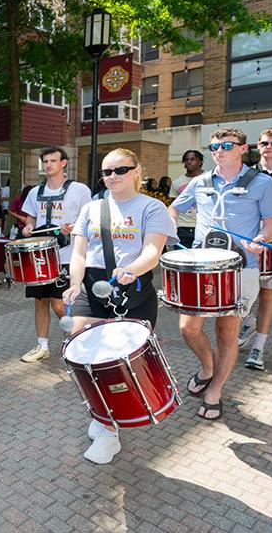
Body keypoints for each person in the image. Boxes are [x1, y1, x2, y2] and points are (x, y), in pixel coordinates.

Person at [62, 149, 177, 464]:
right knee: (83, 352)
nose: (112, 176)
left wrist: (133, 270)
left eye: (120, 170)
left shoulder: (152, 207)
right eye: (106, 172)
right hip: (93, 285)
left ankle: (109, 427)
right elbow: (79, 254)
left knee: (115, 362)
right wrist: (74, 283)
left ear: (137, 171)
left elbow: (153, 251)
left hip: (133, 287)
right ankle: (104, 419)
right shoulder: (92, 208)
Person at [169, 128, 272, 420]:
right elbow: (172, 210)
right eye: (214, 146)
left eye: (227, 145)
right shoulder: (200, 182)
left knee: (226, 334)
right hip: (201, 266)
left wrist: (260, 239)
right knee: (188, 328)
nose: (219, 150)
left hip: (241, 268)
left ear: (243, 149)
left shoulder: (263, 183)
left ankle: (215, 389)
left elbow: (271, 224)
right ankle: (208, 367)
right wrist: (168, 231)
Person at [20, 147, 92, 363]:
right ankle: (42, 346)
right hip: (40, 257)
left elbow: (89, 219)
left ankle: (77, 334)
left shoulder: (79, 189)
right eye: (45, 161)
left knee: (59, 303)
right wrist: (28, 227)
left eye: (53, 160)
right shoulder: (35, 192)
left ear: (63, 163)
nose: (48, 165)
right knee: (40, 301)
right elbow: (30, 218)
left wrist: (75, 227)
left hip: (68, 255)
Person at [238, 127, 272, 370]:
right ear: (258, 145)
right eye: (265, 143)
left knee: (267, 294)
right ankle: (249, 320)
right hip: (249, 243)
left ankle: (258, 349)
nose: (269, 147)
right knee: (236, 293)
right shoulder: (249, 175)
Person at [169, 149, 205, 249]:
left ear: (200, 162)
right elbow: (173, 206)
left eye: (193, 159)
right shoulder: (177, 182)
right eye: (186, 159)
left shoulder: (209, 179)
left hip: (202, 226)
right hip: (182, 227)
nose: (189, 162)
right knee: (181, 259)